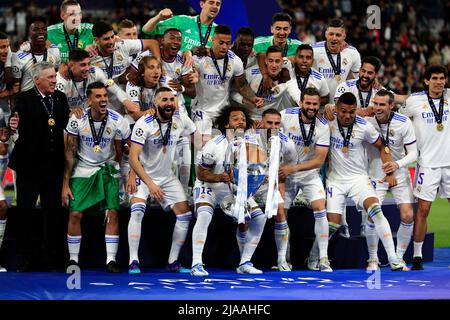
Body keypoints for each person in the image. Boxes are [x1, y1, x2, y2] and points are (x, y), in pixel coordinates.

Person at [324, 92, 405, 271]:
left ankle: (393, 258)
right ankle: (316, 256)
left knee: (376, 210)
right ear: (337, 108)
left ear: (356, 111)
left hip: (359, 179)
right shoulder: (328, 122)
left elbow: (382, 146)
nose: (347, 116)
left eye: (352, 112)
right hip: (335, 180)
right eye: (343, 111)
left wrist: (390, 170)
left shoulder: (364, 126)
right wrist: (326, 108)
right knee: (332, 225)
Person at [62, 82, 130, 273]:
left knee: (113, 213)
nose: (103, 100)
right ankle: (73, 259)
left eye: (105, 96)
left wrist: (125, 175)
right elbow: (69, 152)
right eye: (98, 96)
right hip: (82, 169)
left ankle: (111, 260)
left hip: (107, 169)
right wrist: (65, 184)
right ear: (89, 100)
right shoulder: (77, 119)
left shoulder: (118, 120)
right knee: (75, 213)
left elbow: (125, 150)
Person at [190, 105, 267, 276]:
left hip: (232, 190)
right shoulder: (213, 145)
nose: (241, 120)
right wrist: (219, 177)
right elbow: (201, 173)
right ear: (226, 124)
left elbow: (254, 171)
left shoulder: (251, 145)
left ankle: (245, 261)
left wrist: (259, 178)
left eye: (243, 118)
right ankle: (196, 263)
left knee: (259, 218)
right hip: (209, 186)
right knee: (204, 215)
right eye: (236, 118)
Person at [8, 61, 70, 271]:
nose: (54, 80)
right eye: (50, 78)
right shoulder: (24, 99)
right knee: (25, 212)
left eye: (54, 76)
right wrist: (12, 124)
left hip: (53, 166)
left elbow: (64, 128)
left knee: (52, 214)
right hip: (29, 166)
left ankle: (51, 259)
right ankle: (23, 259)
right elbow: (14, 119)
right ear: (37, 80)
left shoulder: (60, 98)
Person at [127, 87, 196, 274]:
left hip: (167, 177)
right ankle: (133, 260)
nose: (169, 103)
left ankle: (173, 261)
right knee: (137, 210)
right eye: (164, 99)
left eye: (172, 99)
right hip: (145, 175)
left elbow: (195, 135)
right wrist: (149, 184)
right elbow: (133, 158)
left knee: (185, 215)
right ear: (155, 104)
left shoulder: (180, 120)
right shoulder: (144, 123)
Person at [400, 65, 450, 270]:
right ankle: (418, 257)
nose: (439, 82)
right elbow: (402, 120)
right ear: (426, 81)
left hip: (449, 163)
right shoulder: (415, 101)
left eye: (442, 78)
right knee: (423, 210)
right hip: (427, 164)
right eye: (434, 78)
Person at [279, 88, 332, 272]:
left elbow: (319, 160)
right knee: (281, 214)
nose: (311, 107)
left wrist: (293, 168)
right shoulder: (285, 116)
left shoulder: (323, 126)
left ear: (319, 105)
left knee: (321, 208)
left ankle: (321, 258)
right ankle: (283, 259)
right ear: (301, 103)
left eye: (315, 104)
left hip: (309, 175)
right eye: (308, 103)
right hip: (285, 175)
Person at [363, 89, 417, 271]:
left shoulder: (404, 123)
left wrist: (397, 165)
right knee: (372, 216)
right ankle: (373, 259)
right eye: (375, 104)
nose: (377, 108)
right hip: (375, 173)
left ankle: (399, 258)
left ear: (391, 105)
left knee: (408, 216)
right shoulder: (367, 121)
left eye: (382, 104)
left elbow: (413, 154)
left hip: (399, 172)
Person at [191, 24, 263, 145]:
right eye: (221, 42)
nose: (224, 47)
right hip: (203, 110)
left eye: (227, 43)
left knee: (229, 146)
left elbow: (242, 85)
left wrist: (253, 97)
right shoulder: (199, 58)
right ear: (213, 40)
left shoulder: (235, 60)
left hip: (224, 110)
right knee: (202, 145)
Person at [89, 21, 159, 115]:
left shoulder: (123, 45)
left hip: (123, 100)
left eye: (112, 37)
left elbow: (153, 43)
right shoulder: (89, 56)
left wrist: (159, 65)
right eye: (106, 39)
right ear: (96, 40)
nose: (111, 42)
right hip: (100, 102)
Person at [258, 108, 297, 271]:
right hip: (249, 186)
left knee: (281, 211)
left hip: (269, 187)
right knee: (244, 219)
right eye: (269, 123)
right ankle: (243, 259)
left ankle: (282, 260)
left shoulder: (287, 142)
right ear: (261, 122)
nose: (273, 127)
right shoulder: (249, 138)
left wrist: (281, 188)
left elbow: (287, 167)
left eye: (276, 123)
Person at [231, 45, 300, 121]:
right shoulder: (251, 73)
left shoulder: (286, 77)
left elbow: (295, 91)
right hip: (250, 118)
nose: (274, 65)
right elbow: (232, 92)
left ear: (282, 62)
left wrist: (300, 102)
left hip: (271, 120)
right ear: (266, 61)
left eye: (277, 61)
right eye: (270, 61)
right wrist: (244, 100)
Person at [56, 48, 129, 110]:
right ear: (71, 65)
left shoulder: (95, 72)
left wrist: (126, 101)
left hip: (87, 114)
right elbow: (58, 108)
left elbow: (115, 89)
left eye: (89, 64)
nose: (87, 68)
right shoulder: (60, 81)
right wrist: (71, 111)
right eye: (83, 65)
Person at [141, 0, 222, 52]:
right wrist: (158, 17)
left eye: (218, 4)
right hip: (178, 71)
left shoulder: (219, 32)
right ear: (202, 4)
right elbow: (146, 30)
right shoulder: (182, 21)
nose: (215, 6)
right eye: (211, 2)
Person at [312, 18, 361, 101]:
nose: (334, 38)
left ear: (344, 36)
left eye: (338, 35)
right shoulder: (313, 50)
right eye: (331, 34)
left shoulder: (352, 53)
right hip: (316, 105)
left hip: (340, 107)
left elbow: (358, 78)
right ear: (326, 34)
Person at [253, 13, 302, 90]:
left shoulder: (299, 46)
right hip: (259, 88)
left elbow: (310, 58)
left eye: (285, 29)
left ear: (290, 30)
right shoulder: (257, 43)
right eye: (278, 29)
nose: (282, 33)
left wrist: (292, 59)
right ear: (272, 29)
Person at [12, 16, 61, 92]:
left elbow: (56, 73)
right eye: (36, 29)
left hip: (48, 99)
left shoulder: (55, 51)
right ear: (29, 33)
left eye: (44, 29)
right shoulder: (19, 56)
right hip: (27, 101)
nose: (41, 32)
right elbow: (15, 86)